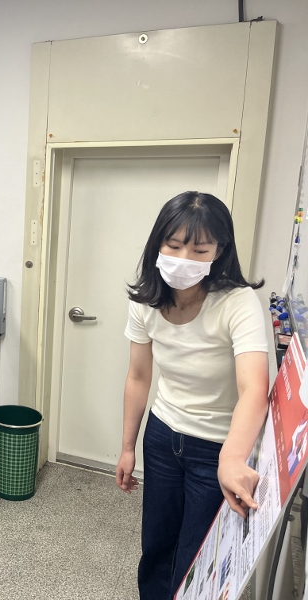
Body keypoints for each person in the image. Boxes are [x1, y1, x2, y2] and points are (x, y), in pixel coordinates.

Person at [115, 192, 269, 599]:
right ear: (157, 245)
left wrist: (232, 457)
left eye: (199, 250)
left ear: (219, 251)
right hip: (163, 436)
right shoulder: (146, 300)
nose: (184, 258)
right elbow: (138, 376)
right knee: (157, 545)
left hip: (216, 445)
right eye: (174, 245)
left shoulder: (237, 303)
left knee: (196, 555)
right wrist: (127, 447)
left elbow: (255, 387)